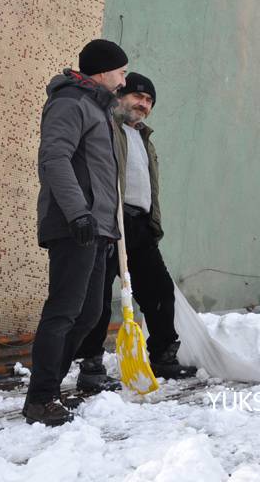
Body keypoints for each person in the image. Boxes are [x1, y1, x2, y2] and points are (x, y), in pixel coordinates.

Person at [25, 39, 128, 426]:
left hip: (97, 227)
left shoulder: (98, 109)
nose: (123, 80)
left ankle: (50, 385)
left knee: (89, 314)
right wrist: (78, 214)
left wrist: (107, 225)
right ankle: (40, 397)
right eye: (119, 72)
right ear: (101, 72)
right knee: (64, 311)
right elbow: (55, 158)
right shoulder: (71, 103)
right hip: (74, 223)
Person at [72, 72, 195, 393]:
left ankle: (163, 356)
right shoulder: (106, 129)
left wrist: (153, 224)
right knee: (97, 297)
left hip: (139, 225)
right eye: (138, 96)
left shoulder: (143, 137)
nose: (143, 104)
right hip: (110, 221)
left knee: (158, 290)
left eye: (149, 100)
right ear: (119, 97)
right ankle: (91, 365)